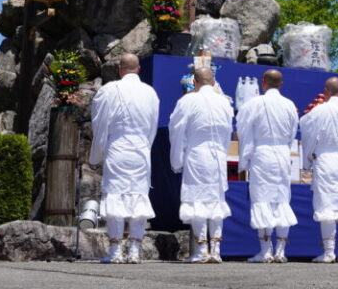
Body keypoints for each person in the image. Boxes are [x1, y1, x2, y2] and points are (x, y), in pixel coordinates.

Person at [89, 53, 160, 264]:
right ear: (138, 69)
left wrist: (98, 151)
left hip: (118, 148)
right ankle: (135, 250)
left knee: (115, 197)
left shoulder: (108, 90)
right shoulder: (150, 93)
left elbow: (99, 123)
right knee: (138, 196)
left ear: (120, 69)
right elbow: (153, 124)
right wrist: (146, 145)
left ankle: (115, 250)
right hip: (141, 149)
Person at [169, 67, 234, 264]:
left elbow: (176, 129)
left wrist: (177, 158)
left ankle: (201, 249)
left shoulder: (188, 100)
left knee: (197, 199)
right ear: (213, 81)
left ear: (194, 82)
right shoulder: (224, 102)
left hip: (197, 154)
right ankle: (216, 249)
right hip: (217, 156)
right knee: (215, 200)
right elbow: (228, 132)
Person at [236, 68, 299, 263]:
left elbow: (243, 131)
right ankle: (281, 249)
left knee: (262, 198)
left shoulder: (253, 104)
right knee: (281, 198)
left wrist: (244, 159)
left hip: (262, 154)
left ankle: (265, 250)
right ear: (281, 84)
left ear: (263, 82)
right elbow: (292, 133)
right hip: (281, 154)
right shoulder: (289, 105)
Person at [299, 76, 338, 263]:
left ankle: (328, 252)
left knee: (326, 206)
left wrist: (307, 161)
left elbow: (307, 133)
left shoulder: (318, 111)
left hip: (325, 160)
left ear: (325, 91)